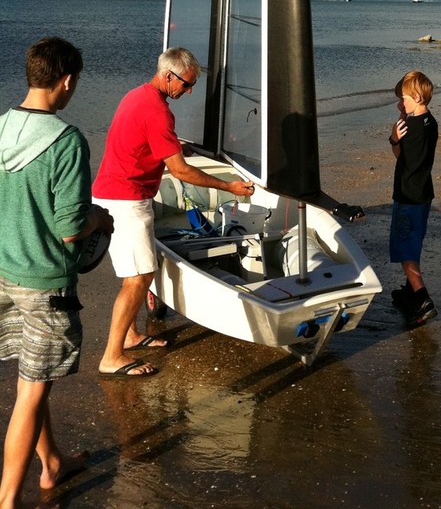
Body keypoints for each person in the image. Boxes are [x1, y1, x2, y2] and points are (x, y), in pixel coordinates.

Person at [92, 47, 255, 378]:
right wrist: (229, 187)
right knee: (138, 278)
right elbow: (180, 171)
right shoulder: (157, 111)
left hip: (112, 193)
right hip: (126, 199)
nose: (189, 90)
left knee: (138, 273)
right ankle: (112, 356)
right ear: (169, 76)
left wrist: (176, 147)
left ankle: (131, 334)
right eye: (186, 84)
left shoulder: (138, 96)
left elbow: (147, 140)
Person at [0, 36, 113, 507]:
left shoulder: (2, 126)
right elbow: (70, 228)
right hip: (45, 284)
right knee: (30, 391)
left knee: (32, 377)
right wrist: (100, 219)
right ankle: (7, 501)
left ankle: (52, 464)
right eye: (76, 83)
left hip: (3, 274)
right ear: (66, 81)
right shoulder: (66, 141)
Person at [387, 70, 439, 327]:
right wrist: (402, 115)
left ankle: (422, 298)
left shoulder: (413, 131)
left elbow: (401, 157)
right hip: (423, 194)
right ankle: (410, 291)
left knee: (405, 250)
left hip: (408, 195)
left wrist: (394, 139)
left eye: (404, 99)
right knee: (413, 242)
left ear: (417, 97)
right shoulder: (430, 122)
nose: (401, 104)